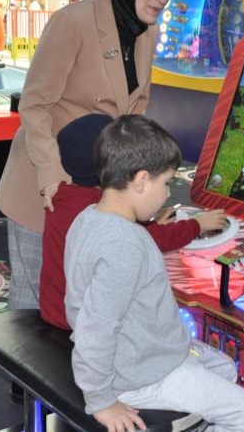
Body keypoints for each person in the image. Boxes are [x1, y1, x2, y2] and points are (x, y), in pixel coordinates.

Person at [0, 0, 181, 310]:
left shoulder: (146, 33)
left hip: (94, 187)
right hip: (45, 182)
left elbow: (135, 110)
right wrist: (51, 174)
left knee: (79, 300)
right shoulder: (74, 22)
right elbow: (34, 104)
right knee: (33, 304)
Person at [65, 114, 244, 431]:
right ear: (141, 181)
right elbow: (95, 329)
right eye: (166, 183)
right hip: (136, 375)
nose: (169, 194)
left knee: (226, 368)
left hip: (143, 352)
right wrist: (101, 400)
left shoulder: (88, 217)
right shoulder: (124, 244)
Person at [39, 113, 227, 330]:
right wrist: (198, 225)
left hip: (54, 311)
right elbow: (149, 239)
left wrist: (150, 223)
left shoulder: (61, 197)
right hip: (80, 326)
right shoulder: (103, 215)